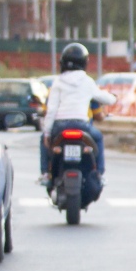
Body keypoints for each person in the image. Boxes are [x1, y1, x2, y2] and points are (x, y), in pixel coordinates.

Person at [42, 43, 113, 192]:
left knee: (43, 141)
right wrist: (113, 98)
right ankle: (99, 174)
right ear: (84, 62)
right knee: (98, 138)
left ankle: (46, 175)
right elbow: (103, 98)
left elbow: (51, 110)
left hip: (60, 125)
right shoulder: (87, 81)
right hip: (82, 125)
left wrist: (47, 133)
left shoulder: (58, 82)